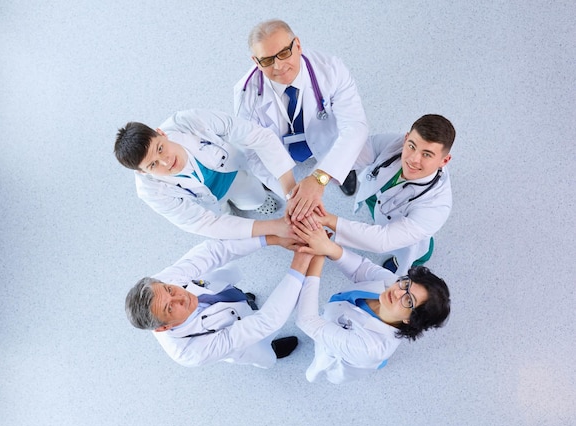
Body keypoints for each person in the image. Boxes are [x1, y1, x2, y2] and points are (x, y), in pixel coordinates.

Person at [234, 19, 369, 222]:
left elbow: (355, 127)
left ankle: (340, 171)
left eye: (283, 53)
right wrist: (292, 195)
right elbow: (253, 153)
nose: (278, 66)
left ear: (297, 45)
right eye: (267, 60)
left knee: (341, 162)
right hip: (280, 150)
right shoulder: (246, 95)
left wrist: (321, 177)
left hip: (328, 142)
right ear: (256, 61)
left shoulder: (331, 70)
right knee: (270, 169)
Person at [292, 222, 450, 384]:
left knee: (333, 357)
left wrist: (317, 258)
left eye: (408, 300)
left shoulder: (368, 347)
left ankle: (377, 361)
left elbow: (307, 321)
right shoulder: (396, 285)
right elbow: (361, 269)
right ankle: (380, 361)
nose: (397, 292)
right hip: (356, 333)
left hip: (350, 355)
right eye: (407, 284)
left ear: (410, 320)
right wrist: (327, 247)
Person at [125, 235, 314, 368]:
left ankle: (243, 301)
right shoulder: (191, 352)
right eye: (170, 308)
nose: (181, 296)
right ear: (163, 328)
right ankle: (272, 348)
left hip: (222, 294)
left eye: (170, 290)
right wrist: (300, 264)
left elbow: (214, 251)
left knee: (242, 299)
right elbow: (265, 322)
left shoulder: (158, 287)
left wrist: (273, 238)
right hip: (242, 341)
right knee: (263, 349)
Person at [114, 109, 298, 239]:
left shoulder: (189, 122)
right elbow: (204, 224)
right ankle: (226, 210)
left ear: (161, 133)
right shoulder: (150, 192)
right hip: (208, 202)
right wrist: (273, 227)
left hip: (232, 175)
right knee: (223, 217)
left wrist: (291, 192)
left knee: (255, 197)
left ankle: (256, 202)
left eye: (160, 149)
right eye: (153, 165)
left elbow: (257, 136)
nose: (166, 161)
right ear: (142, 171)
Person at [311, 114, 456, 274]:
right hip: (378, 196)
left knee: (414, 250)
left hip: (403, 230)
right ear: (406, 138)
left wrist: (327, 219)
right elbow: (351, 154)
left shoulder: (436, 206)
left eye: (427, 154)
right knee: (376, 210)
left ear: (444, 160)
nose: (413, 159)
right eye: (412, 146)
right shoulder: (394, 143)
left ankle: (408, 262)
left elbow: (383, 240)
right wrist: (317, 180)